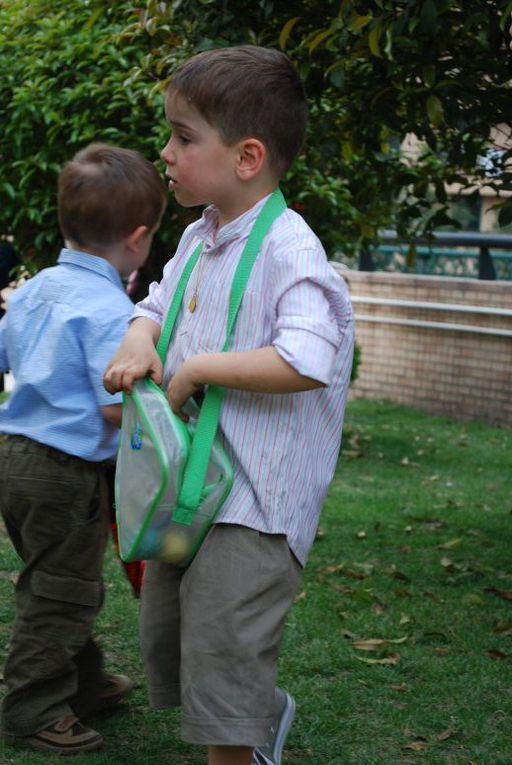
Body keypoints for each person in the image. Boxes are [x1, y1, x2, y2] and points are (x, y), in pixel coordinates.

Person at [104, 45, 355, 765]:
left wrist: (195, 372)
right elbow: (153, 303)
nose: (166, 152)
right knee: (180, 633)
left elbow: (307, 358)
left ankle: (241, 736)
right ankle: (259, 706)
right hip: (196, 492)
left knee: (222, 644)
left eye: (184, 137)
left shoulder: (289, 248)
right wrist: (141, 337)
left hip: (254, 505)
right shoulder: (198, 235)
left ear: (247, 157)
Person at [0, 143, 167, 754]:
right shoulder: (110, 311)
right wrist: (167, 407)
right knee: (63, 590)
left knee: (58, 579)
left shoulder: (35, 290)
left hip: (15, 457)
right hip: (66, 472)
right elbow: (110, 405)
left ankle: (84, 683)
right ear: (140, 238)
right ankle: (32, 708)